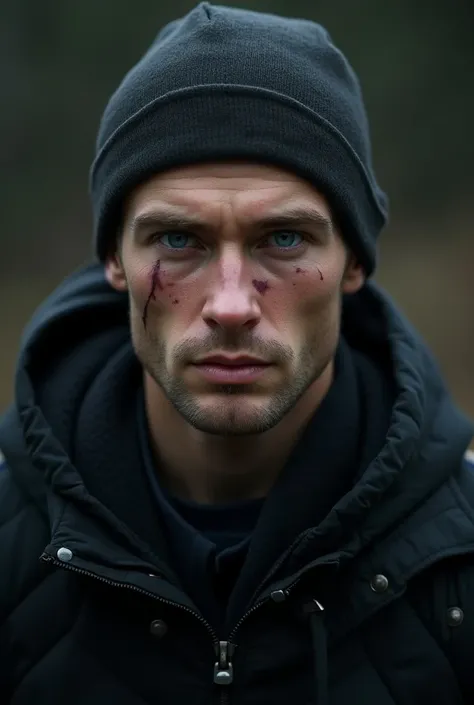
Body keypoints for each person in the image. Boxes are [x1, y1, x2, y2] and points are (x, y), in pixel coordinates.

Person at [0, 3, 473, 703]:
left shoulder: (458, 556)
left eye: (284, 239)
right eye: (177, 240)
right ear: (114, 259)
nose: (229, 304)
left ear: (354, 262)